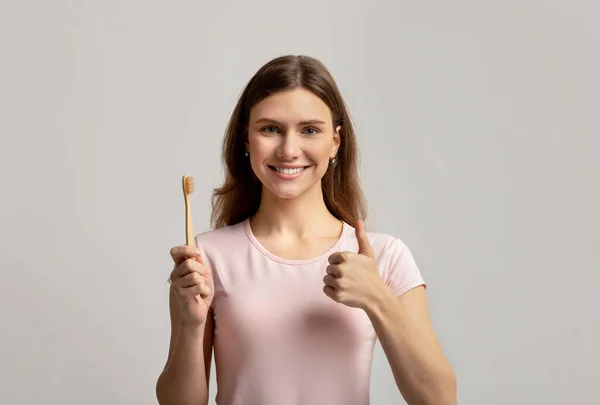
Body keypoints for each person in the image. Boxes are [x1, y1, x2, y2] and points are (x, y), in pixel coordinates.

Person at [156, 55, 456, 405]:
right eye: (270, 129)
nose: (288, 150)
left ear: (335, 142)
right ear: (246, 139)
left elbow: (439, 399)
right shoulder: (205, 259)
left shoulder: (384, 257)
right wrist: (192, 329)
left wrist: (377, 298)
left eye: (310, 130)